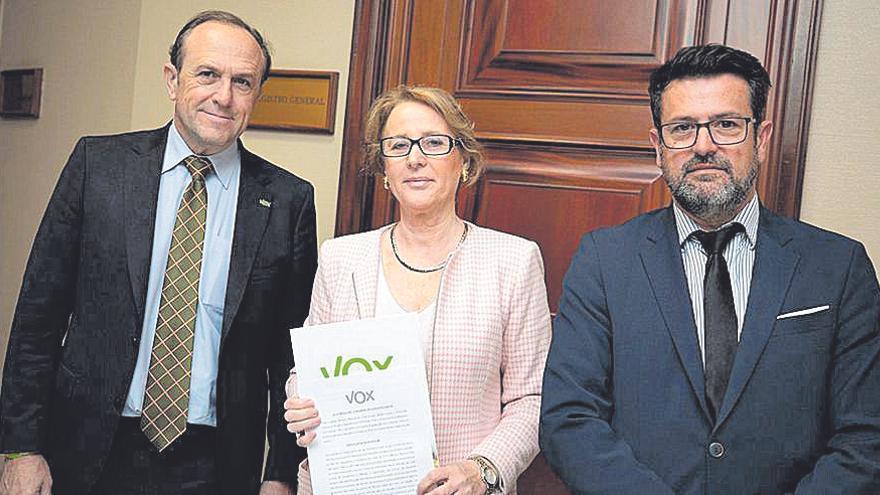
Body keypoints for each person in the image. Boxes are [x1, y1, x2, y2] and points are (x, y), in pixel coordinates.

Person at [0, 10, 315, 495]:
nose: (224, 96)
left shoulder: (288, 201)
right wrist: (20, 447)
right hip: (85, 449)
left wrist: (280, 475)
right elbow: (37, 319)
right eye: (207, 74)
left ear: (257, 94)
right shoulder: (98, 167)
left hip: (214, 464)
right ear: (172, 80)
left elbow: (290, 355)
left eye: (243, 82)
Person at [541, 44, 880, 494]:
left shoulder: (838, 267)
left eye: (726, 125)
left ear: (760, 138)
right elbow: (569, 418)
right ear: (657, 147)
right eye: (682, 129)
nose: (704, 146)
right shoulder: (604, 260)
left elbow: (865, 435)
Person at [283, 85, 551, 494]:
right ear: (384, 170)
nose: (415, 159)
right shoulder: (340, 258)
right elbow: (307, 372)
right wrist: (301, 401)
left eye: (434, 143)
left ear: (462, 161)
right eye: (399, 146)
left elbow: (531, 399)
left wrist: (482, 468)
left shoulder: (513, 261)